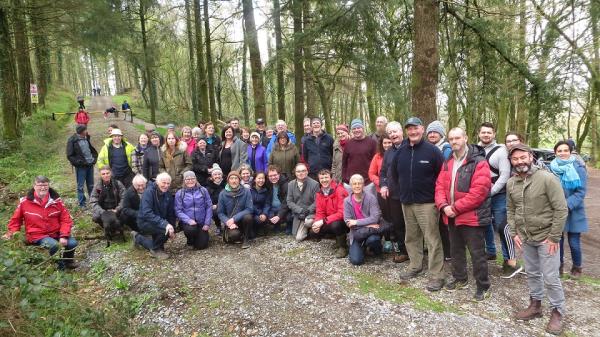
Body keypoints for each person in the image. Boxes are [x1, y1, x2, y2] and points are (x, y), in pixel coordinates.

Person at [507, 144, 568, 335]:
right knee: (532, 273)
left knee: (550, 277)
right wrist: (514, 233)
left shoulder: (547, 178)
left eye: (523, 157)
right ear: (511, 161)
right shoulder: (511, 183)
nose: (519, 162)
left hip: (546, 238)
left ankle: (558, 311)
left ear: (531, 157)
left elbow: (561, 209)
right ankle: (535, 305)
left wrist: (554, 237)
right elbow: (511, 209)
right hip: (526, 237)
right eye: (515, 159)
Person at [435, 127, 492, 301]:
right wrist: (444, 206)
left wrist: (455, 208)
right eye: (451, 138)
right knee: (456, 250)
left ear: (465, 138)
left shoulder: (479, 162)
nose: (454, 141)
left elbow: (479, 192)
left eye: (457, 138)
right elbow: (439, 186)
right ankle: (460, 279)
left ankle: (483, 286)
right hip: (451, 215)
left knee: (477, 253)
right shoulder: (447, 162)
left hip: (472, 217)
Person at [392, 117, 445, 292]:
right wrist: (401, 192)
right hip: (406, 202)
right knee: (412, 236)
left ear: (422, 129)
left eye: (416, 128)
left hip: (427, 203)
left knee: (432, 239)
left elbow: (442, 177)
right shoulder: (401, 151)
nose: (413, 132)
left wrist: (438, 199)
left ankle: (437, 275)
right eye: (409, 129)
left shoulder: (433, 151)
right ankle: (415, 265)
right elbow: (394, 174)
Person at [3, 176, 78, 270]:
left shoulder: (57, 201)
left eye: (45, 185)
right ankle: (59, 266)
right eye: (40, 185)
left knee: (72, 243)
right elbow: (16, 220)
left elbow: (66, 219)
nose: (43, 188)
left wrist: (64, 235)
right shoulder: (25, 202)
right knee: (54, 245)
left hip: (56, 232)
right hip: (37, 235)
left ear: (48, 185)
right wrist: (12, 233)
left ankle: (68, 261)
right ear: (34, 186)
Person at [478, 122, 521, 277]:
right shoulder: (475, 150)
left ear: (494, 134)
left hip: (499, 195)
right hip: (481, 195)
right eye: (483, 132)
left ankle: (511, 261)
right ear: (479, 133)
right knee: (485, 223)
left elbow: (504, 175)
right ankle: (490, 251)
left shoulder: (501, 151)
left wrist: (491, 192)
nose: (486, 135)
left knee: (504, 227)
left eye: (489, 132)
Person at [550, 140, 588, 278]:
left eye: (565, 150)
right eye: (559, 151)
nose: (562, 153)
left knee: (574, 242)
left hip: (574, 209)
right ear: (555, 153)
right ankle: (558, 267)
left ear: (570, 151)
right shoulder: (551, 168)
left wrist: (566, 205)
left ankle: (577, 267)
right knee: (557, 241)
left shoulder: (578, 167)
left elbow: (581, 192)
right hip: (555, 210)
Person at [379, 121, 409, 263]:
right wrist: (384, 185)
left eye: (395, 131)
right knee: (398, 224)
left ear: (401, 131)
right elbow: (383, 171)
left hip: (410, 195)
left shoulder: (410, 147)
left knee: (412, 224)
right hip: (394, 195)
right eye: (390, 133)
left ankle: (417, 251)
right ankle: (403, 251)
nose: (393, 135)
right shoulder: (389, 151)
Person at [134, 172, 177, 259]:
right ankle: (152, 248)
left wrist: (172, 227)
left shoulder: (168, 194)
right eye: (163, 183)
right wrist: (165, 224)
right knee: (165, 230)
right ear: (157, 182)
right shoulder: (149, 192)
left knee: (169, 230)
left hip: (158, 221)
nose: (166, 185)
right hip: (145, 221)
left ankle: (154, 243)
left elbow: (170, 213)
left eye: (168, 183)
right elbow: (147, 213)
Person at [426, 120, 452, 261]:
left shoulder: (446, 149)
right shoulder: (428, 147)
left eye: (435, 132)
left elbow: (445, 170)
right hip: (431, 190)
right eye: (430, 132)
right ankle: (438, 249)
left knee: (443, 223)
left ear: (441, 134)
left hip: (443, 190)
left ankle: (448, 252)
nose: (432, 134)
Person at [344, 174, 384, 266]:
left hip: (371, 232)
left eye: (359, 183)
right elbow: (348, 222)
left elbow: (375, 217)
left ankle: (376, 251)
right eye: (354, 184)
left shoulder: (371, 198)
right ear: (351, 186)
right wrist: (367, 224)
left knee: (374, 239)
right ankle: (362, 247)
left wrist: (357, 222)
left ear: (363, 185)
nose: (357, 186)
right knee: (356, 261)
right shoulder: (347, 201)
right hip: (356, 234)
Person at [313, 169, 349, 258]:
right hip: (329, 220)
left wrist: (323, 221)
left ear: (331, 178)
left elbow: (342, 213)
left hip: (344, 221)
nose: (324, 180)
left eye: (326, 177)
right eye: (321, 178)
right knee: (313, 232)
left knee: (336, 225)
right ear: (319, 180)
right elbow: (320, 212)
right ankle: (337, 239)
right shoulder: (319, 193)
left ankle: (343, 247)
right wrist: (316, 223)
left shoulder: (339, 190)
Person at [175, 171, 213, 250]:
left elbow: (209, 207)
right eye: (187, 179)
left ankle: (200, 236)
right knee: (190, 230)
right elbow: (178, 210)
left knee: (201, 246)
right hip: (189, 223)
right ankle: (190, 240)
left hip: (201, 222)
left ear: (196, 179)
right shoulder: (180, 193)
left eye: (192, 178)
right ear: (184, 181)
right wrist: (188, 220)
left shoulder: (203, 190)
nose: (190, 181)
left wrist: (207, 223)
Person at [368, 133, 393, 252]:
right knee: (386, 217)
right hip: (381, 192)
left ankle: (398, 241)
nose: (387, 145)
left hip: (395, 192)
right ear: (381, 144)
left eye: (389, 142)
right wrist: (381, 183)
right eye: (385, 143)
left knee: (397, 218)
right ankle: (387, 239)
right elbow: (371, 173)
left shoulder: (397, 154)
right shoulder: (377, 157)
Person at [217, 171, 254, 248]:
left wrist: (235, 218)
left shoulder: (246, 191)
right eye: (231, 178)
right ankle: (240, 234)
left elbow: (249, 209)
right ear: (228, 180)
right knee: (234, 235)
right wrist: (228, 222)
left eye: (236, 178)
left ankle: (246, 239)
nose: (234, 181)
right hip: (230, 222)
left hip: (242, 219)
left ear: (239, 180)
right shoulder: (222, 194)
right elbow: (220, 212)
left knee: (248, 217)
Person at [67, 124, 98, 207]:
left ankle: (93, 201)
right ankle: (82, 203)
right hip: (81, 167)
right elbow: (70, 155)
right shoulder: (72, 140)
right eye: (85, 130)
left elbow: (90, 150)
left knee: (91, 185)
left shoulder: (86, 138)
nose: (86, 131)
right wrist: (78, 162)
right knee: (80, 186)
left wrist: (93, 159)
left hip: (90, 165)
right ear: (81, 131)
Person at [287, 163, 320, 241]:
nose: (301, 173)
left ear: (307, 172)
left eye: (303, 171)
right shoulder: (290, 184)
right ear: (295, 173)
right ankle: (307, 230)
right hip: (299, 215)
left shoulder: (315, 184)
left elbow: (317, 201)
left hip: (311, 214)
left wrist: (308, 210)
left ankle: (313, 230)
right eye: (298, 171)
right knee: (298, 238)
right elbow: (289, 201)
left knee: (308, 222)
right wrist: (300, 210)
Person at [342, 119, 377, 186]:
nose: (356, 130)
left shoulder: (372, 143)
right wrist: (344, 178)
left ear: (362, 128)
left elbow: (375, 162)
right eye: (354, 128)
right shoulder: (348, 144)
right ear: (352, 130)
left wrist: (374, 177)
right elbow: (344, 163)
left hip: (368, 181)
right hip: (352, 181)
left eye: (358, 128)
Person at [266, 165, 290, 233]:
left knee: (289, 217)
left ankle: (289, 224)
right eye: (270, 176)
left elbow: (286, 202)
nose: (273, 177)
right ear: (268, 177)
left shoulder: (286, 185)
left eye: (275, 175)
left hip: (283, 207)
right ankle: (276, 225)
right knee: (268, 217)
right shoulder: (268, 184)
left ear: (279, 174)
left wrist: (279, 215)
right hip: (272, 208)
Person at [206, 164, 225, 236]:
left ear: (222, 175)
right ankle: (218, 226)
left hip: (226, 204)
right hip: (215, 206)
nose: (217, 176)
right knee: (214, 211)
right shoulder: (208, 187)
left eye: (219, 174)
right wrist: (213, 205)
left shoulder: (226, 184)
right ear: (212, 177)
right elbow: (208, 199)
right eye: (215, 174)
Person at [250, 172, 271, 237]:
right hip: (252, 212)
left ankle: (262, 228)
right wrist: (259, 213)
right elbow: (250, 204)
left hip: (262, 211)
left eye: (263, 178)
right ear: (255, 179)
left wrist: (264, 213)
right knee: (257, 220)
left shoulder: (266, 190)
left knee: (269, 216)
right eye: (259, 178)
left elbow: (267, 204)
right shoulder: (249, 190)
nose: (261, 180)